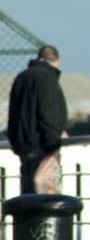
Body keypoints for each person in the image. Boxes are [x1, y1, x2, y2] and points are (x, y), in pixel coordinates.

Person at [6, 45, 68, 193]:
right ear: (57, 60)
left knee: (28, 194)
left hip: (23, 146)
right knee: (44, 194)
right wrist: (53, 144)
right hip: (41, 148)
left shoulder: (21, 77)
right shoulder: (48, 80)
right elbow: (48, 115)